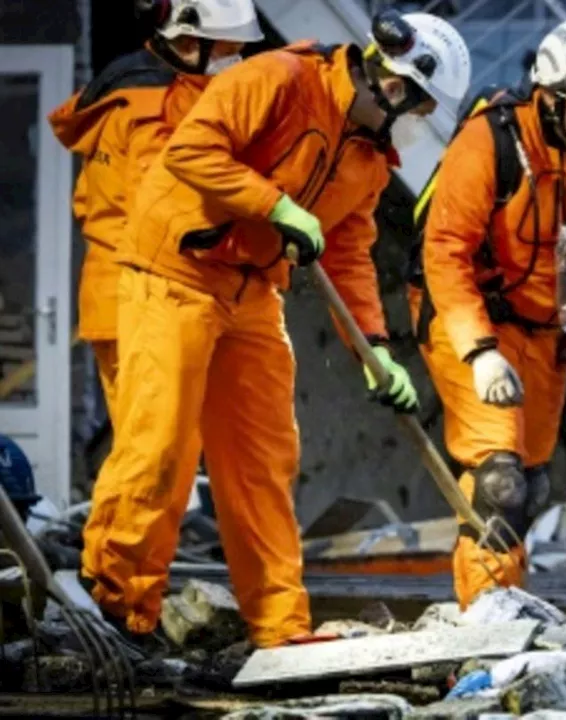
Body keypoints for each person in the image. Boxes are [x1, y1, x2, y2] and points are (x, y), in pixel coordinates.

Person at [86, 9, 470, 648]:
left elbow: (347, 253)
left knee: (264, 462)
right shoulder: (281, 78)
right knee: (160, 449)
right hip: (175, 269)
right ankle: (119, 607)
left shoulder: (370, 160)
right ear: (392, 81)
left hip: (253, 291)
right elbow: (190, 149)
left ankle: (281, 630)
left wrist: (376, 350)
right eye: (418, 104)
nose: (413, 118)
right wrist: (275, 204)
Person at [411, 14, 566, 609]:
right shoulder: (491, 142)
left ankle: (507, 605)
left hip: (551, 331)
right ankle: (487, 621)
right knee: (499, 481)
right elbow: (444, 253)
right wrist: (480, 351)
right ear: (547, 96)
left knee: (533, 482)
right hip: (469, 313)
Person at [48, 0, 261, 588]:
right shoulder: (152, 104)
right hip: (140, 289)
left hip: (131, 289)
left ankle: (127, 594)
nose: (235, 61)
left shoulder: (151, 90)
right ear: (187, 42)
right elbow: (167, 206)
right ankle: (114, 594)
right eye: (227, 51)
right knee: (153, 458)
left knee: (154, 453)